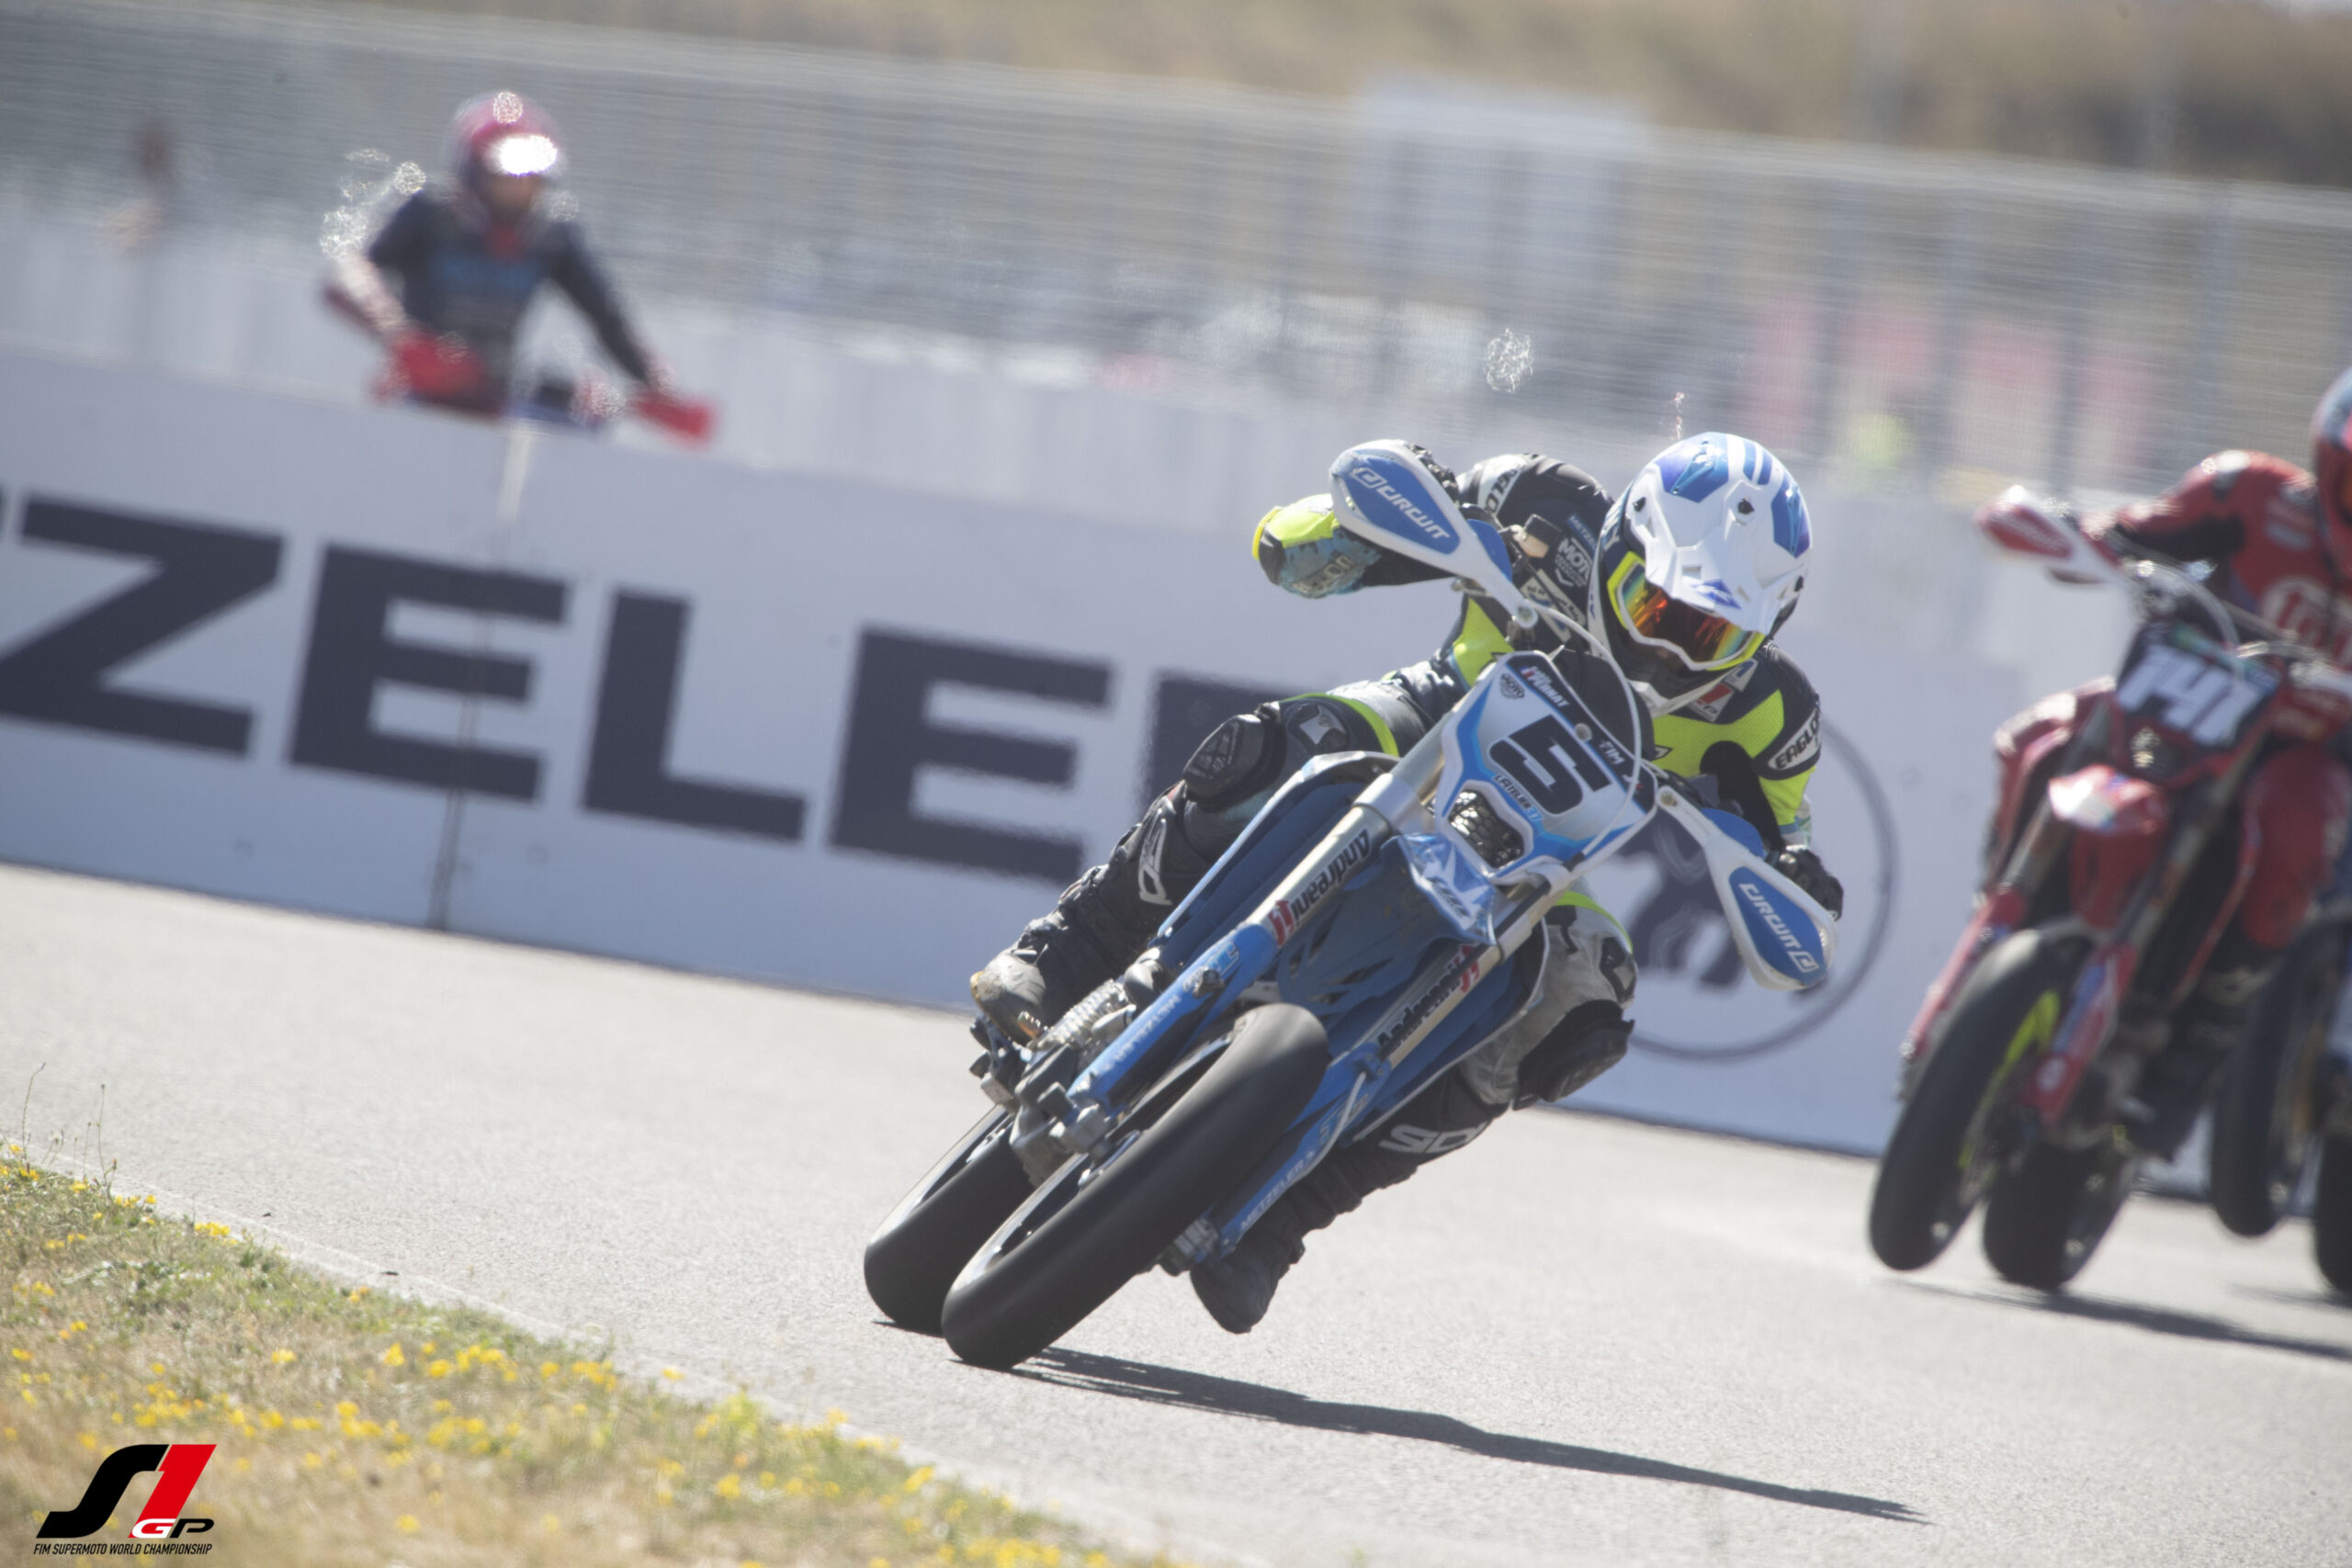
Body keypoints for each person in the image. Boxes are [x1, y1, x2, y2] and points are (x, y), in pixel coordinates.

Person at [970, 433, 1846, 1333]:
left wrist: (1800, 878)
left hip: (1546, 860)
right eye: (1652, 604)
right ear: (1624, 540)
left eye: (1711, 635)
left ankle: (1290, 1212)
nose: (1669, 650)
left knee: (1584, 1008)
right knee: (1271, 748)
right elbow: (1287, 549)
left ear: (1766, 628)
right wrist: (1362, 527)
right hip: (1416, 733)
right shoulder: (1542, 508)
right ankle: (1064, 952)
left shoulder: (1774, 715)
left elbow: (1787, 849)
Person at [1978, 367, 2352, 1155]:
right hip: (2180, 708)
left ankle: (2198, 1041)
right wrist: (2074, 534)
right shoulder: (2251, 494)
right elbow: (2134, 532)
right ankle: (1999, 909)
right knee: (2042, 737)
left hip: (2306, 753)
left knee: (2296, 828)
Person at [325, 91, 687, 426]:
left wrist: (655, 383)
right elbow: (352, 272)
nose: (520, 190)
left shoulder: (552, 238)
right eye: (507, 178)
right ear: (473, 172)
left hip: (495, 396)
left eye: (531, 179)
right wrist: (398, 334)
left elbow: (607, 317)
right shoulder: (428, 215)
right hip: (417, 393)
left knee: (585, 410)